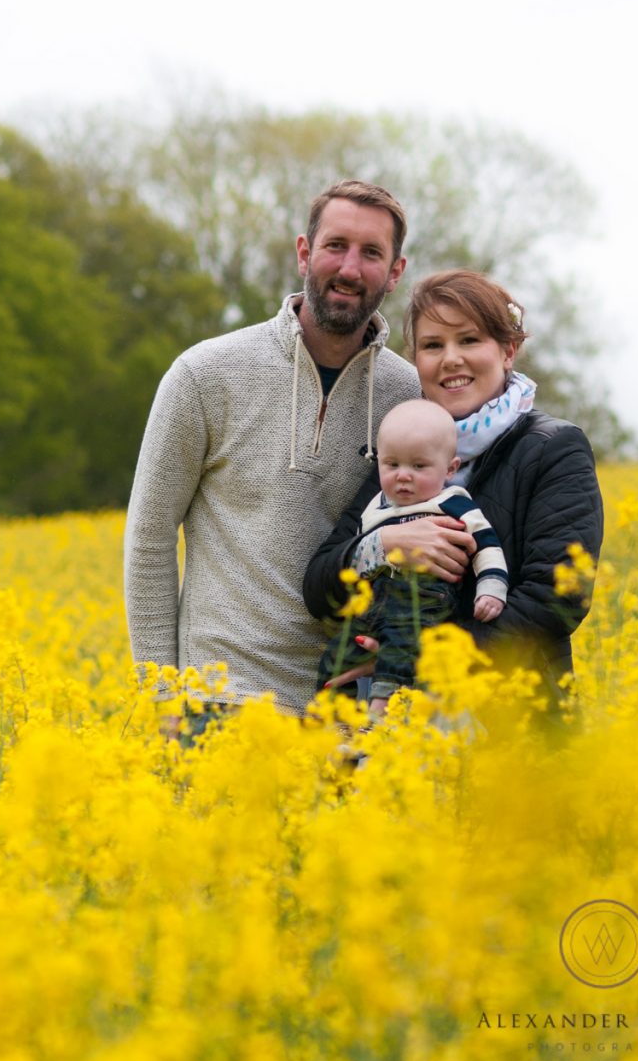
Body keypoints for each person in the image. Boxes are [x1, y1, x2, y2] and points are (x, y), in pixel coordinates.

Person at [124, 180, 421, 723]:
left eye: (371, 253)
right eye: (335, 246)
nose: (350, 268)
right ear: (304, 253)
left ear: (395, 272)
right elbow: (150, 536)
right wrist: (162, 695)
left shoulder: (409, 396)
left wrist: (395, 663)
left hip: (343, 717)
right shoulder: (204, 374)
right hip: (218, 703)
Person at [304, 269, 604, 710]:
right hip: (393, 730)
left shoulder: (553, 448)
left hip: (509, 720)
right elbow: (320, 587)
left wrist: (418, 660)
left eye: (469, 340)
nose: (450, 359)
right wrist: (385, 545)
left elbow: (556, 598)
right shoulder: (405, 451)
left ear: (508, 350)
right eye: (432, 345)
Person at [317, 398, 509, 701]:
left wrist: (491, 588)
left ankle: (382, 713)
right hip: (375, 602)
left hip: (425, 599)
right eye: (392, 465)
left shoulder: (452, 502)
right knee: (338, 654)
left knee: (401, 645)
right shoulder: (374, 508)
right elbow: (357, 559)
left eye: (419, 466)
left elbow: (487, 545)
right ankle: (338, 713)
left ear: (450, 469)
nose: (403, 476)